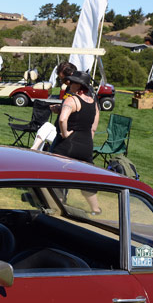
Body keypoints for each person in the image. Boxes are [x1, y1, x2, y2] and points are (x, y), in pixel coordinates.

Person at [50, 68, 101, 214]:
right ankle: (95, 208)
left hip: (67, 144)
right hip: (86, 145)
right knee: (87, 179)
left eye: (72, 82)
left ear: (78, 85)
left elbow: (63, 119)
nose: (69, 84)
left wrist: (65, 133)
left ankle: (56, 204)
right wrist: (87, 141)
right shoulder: (93, 103)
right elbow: (93, 128)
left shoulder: (71, 99)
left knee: (56, 174)